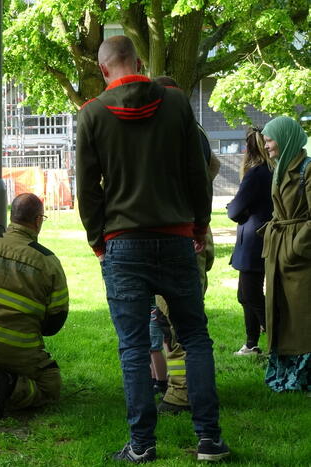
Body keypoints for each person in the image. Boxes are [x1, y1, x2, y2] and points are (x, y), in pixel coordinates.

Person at [75, 36, 228, 462]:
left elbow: (87, 188)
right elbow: (196, 172)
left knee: (133, 345)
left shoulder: (92, 114)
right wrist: (199, 224)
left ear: (104, 69)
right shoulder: (176, 103)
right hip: (176, 237)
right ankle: (209, 439)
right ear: (139, 62)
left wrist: (97, 239)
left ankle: (142, 444)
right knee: (195, 337)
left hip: (123, 243)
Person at [150, 76, 221, 416]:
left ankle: (182, 393)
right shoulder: (197, 132)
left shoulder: (173, 134)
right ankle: (193, 390)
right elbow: (212, 168)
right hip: (196, 235)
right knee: (187, 321)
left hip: (180, 238)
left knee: (175, 322)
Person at [0, 193, 68, 418]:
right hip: (18, 349)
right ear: (38, 220)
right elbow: (56, 320)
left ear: (12, 216)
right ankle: (9, 385)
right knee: (50, 385)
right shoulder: (48, 261)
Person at [259, 116, 311, 392]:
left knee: (301, 316)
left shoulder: (307, 168)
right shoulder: (280, 167)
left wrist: (295, 247)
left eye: (270, 140)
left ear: (286, 138)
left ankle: (301, 377)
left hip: (300, 256)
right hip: (280, 250)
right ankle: (285, 374)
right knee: (282, 313)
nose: (266, 146)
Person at [228, 128, 274, 356]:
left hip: (252, 243)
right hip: (261, 238)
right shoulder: (271, 170)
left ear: (248, 149)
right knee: (245, 295)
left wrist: (233, 207)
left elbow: (234, 210)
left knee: (251, 294)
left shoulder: (255, 173)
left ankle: (277, 341)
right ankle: (251, 344)